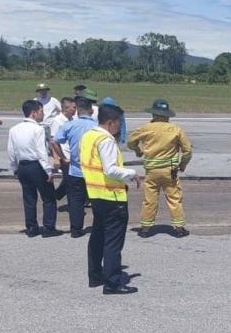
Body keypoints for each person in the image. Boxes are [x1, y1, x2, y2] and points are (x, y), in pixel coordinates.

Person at [80, 104, 140, 294]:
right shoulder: (106, 140)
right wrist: (132, 173)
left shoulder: (89, 136)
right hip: (111, 196)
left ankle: (95, 275)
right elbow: (110, 169)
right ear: (110, 122)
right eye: (119, 123)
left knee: (98, 236)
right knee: (113, 241)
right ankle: (112, 282)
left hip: (96, 194)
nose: (119, 127)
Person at [127, 99, 192, 238]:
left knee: (150, 200)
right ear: (167, 115)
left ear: (153, 114)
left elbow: (130, 141)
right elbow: (187, 151)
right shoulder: (176, 129)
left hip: (152, 172)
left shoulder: (145, 128)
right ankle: (179, 228)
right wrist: (182, 165)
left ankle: (145, 228)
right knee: (174, 199)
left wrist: (138, 150)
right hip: (170, 171)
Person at [8, 100, 61, 238]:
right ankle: (49, 228)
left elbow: (11, 151)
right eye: (41, 111)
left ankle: (31, 228)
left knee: (29, 198)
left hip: (23, 166)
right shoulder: (38, 129)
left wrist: (14, 168)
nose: (43, 113)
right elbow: (41, 152)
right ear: (34, 113)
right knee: (48, 197)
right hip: (36, 166)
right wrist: (48, 170)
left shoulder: (14, 129)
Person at [52, 95, 97, 237]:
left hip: (75, 169)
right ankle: (98, 226)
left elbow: (54, 141)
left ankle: (76, 229)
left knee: (75, 200)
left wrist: (63, 157)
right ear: (90, 110)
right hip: (93, 170)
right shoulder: (97, 127)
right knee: (96, 199)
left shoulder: (70, 125)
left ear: (77, 110)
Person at [49, 97, 76, 200]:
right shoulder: (57, 121)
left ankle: (57, 195)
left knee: (69, 180)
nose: (75, 109)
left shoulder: (72, 120)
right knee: (69, 181)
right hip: (63, 155)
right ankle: (71, 203)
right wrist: (57, 158)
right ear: (65, 108)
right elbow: (53, 140)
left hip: (71, 154)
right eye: (73, 108)